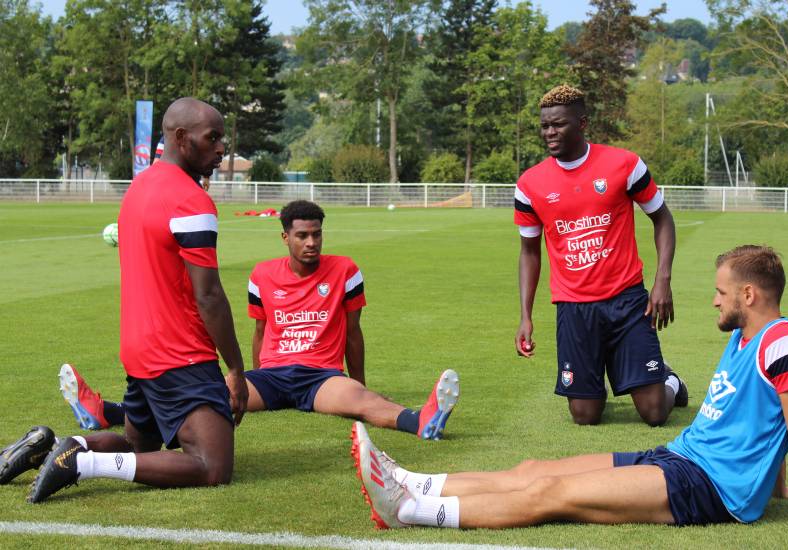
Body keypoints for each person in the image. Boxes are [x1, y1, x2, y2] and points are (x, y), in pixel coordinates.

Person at [353, 245, 788, 540]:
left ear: (749, 294)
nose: (714, 301)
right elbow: (763, 421)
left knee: (550, 496)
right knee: (532, 470)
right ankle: (409, 479)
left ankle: (409, 510)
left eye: (721, 291)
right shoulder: (744, 335)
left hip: (708, 487)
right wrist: (777, 488)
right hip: (681, 458)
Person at [51, 200, 459, 441]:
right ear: (285, 237)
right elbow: (261, 331)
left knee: (365, 404)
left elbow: (354, 333)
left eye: (317, 234)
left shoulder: (345, 270)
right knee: (208, 402)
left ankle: (423, 420)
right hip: (272, 375)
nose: (312, 242)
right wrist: (251, 378)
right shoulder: (262, 275)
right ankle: (106, 412)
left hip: (321, 378)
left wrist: (358, 379)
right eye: (302, 235)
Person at [7, 97, 249, 503]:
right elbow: (208, 296)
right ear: (181, 137)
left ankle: (56, 447)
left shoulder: (139, 187)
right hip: (179, 352)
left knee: (139, 451)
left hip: (139, 350)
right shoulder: (192, 200)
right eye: (213, 138)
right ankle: (81, 463)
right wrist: (237, 369)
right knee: (212, 465)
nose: (222, 148)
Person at [514, 84, 686, 426]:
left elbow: (662, 218)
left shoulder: (624, 164)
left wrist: (662, 280)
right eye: (545, 125)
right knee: (584, 415)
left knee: (653, 413)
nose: (550, 132)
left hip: (627, 300)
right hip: (574, 308)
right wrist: (526, 315)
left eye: (559, 124)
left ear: (582, 122)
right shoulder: (530, 184)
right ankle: (599, 382)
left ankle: (669, 381)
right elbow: (529, 252)